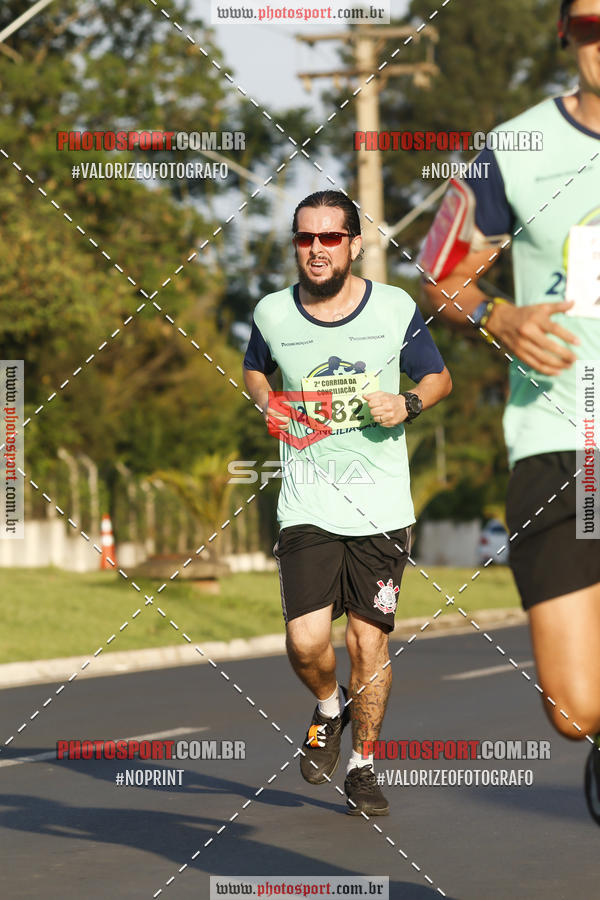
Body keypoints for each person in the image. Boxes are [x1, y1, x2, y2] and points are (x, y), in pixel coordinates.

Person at [419, 0, 600, 824]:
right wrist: (499, 315)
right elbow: (440, 275)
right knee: (575, 710)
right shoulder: (515, 148)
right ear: (566, 34)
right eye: (591, 24)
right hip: (563, 438)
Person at [243, 190, 451, 815]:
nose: (317, 249)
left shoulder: (393, 308)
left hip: (380, 507)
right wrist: (267, 402)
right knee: (307, 640)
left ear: (354, 244)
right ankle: (327, 705)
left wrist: (407, 403)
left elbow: (438, 377)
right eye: (305, 238)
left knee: (368, 645)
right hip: (306, 502)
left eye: (330, 237)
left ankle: (362, 764)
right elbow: (255, 370)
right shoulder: (272, 313)